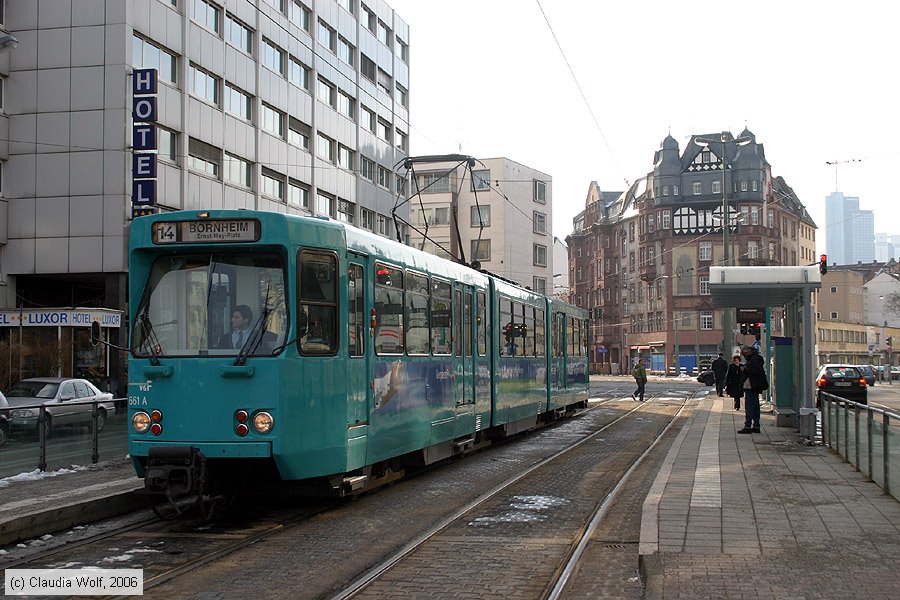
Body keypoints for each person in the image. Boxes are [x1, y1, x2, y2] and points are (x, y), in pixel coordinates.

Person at [738, 345, 767, 434]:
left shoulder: (754, 359)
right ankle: (756, 425)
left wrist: (744, 369)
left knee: (750, 406)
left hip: (751, 385)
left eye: (744, 354)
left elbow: (753, 371)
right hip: (754, 385)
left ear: (748, 352)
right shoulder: (756, 358)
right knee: (755, 405)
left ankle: (748, 425)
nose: (743, 356)